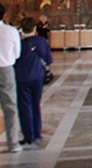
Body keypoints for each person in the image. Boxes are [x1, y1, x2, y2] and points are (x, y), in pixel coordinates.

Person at [14, 17, 52, 148]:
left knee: (25, 107)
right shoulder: (42, 41)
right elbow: (48, 60)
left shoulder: (20, 44)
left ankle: (28, 135)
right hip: (38, 77)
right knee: (36, 105)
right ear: (35, 28)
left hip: (22, 78)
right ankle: (37, 132)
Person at [0, 4, 21, 153]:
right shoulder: (10, 31)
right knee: (10, 107)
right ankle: (13, 143)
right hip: (6, 69)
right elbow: (16, 54)